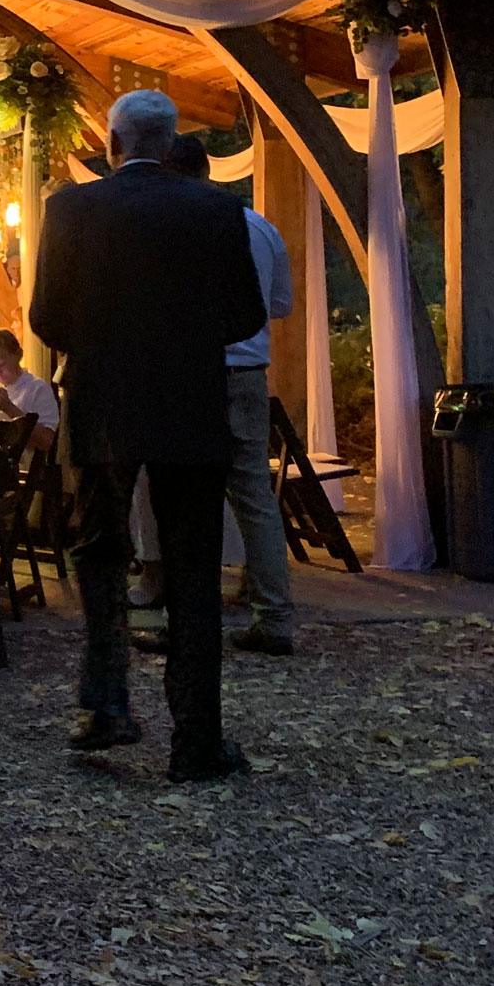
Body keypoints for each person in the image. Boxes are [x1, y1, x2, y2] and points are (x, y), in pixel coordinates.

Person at [30, 90, 266, 782]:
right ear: (170, 147)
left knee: (100, 553)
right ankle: (197, 738)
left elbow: (47, 315)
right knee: (193, 569)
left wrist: (103, 351)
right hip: (190, 406)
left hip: (101, 405)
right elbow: (245, 314)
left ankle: (103, 703)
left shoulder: (71, 208)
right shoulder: (217, 208)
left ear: (111, 144)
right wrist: (184, 350)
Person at [166, 135, 296, 655]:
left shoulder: (175, 231)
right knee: (254, 500)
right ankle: (275, 616)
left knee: (184, 498)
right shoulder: (260, 227)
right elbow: (280, 304)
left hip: (190, 375)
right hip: (247, 373)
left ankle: (189, 621)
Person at [0, 326, 58, 453]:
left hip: (11, 461)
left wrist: (9, 408)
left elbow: (47, 441)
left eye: (1, 365)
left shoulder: (37, 388)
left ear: (18, 355)